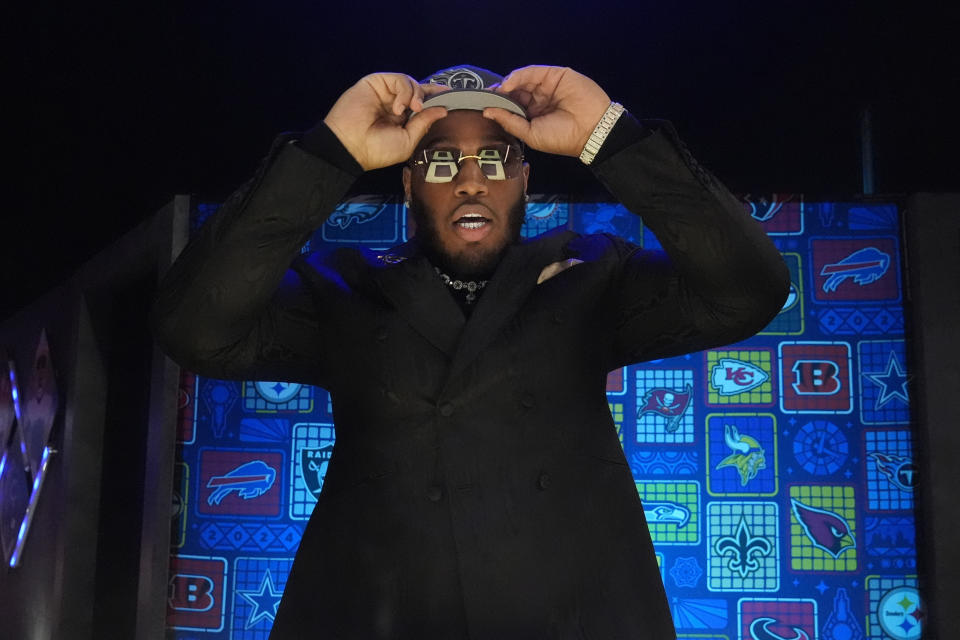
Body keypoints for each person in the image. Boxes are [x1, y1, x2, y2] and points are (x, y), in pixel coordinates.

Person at [151, 64, 789, 639]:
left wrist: (607, 134)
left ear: (525, 178)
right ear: (406, 183)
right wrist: (330, 152)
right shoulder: (343, 285)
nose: (469, 181)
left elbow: (747, 291)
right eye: (440, 162)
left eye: (495, 159)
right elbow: (193, 329)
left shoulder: (593, 274)